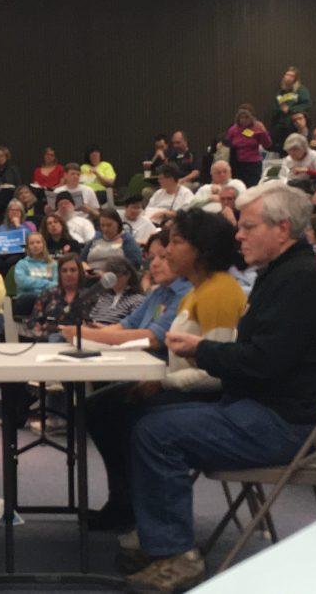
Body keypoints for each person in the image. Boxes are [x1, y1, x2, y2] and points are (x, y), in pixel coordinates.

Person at [124, 184, 316, 591]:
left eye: (247, 227)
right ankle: (158, 536)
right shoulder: (283, 275)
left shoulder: (300, 282)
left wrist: (201, 350)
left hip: (283, 424)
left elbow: (262, 363)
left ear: (282, 229)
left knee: (155, 432)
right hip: (266, 408)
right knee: (146, 417)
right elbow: (258, 358)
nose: (238, 235)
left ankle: (175, 556)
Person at [84, 209, 246, 531]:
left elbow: (218, 372)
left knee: (114, 413)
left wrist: (164, 383)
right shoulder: (199, 291)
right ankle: (125, 503)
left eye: (176, 242)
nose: (167, 251)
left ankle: (132, 508)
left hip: (210, 399)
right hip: (183, 386)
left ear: (202, 248)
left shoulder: (220, 291)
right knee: (100, 407)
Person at [65, 231, 191, 357]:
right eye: (151, 258)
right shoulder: (157, 293)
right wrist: (86, 334)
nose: (154, 264)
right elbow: (127, 324)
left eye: (163, 257)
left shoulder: (186, 293)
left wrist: (85, 334)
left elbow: (153, 338)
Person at [25, 253, 85, 340]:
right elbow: (33, 322)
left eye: (73, 270)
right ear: (59, 274)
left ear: (80, 272)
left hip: (82, 339)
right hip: (50, 340)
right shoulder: (47, 294)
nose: (68, 274)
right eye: (64, 271)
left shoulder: (90, 296)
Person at [86, 257, 145, 325]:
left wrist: (104, 329)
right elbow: (91, 319)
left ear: (127, 275)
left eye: (115, 276)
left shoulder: (137, 300)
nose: (111, 280)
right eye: (108, 277)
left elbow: (134, 327)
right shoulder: (104, 297)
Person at [79, 207, 142, 272]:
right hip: (91, 274)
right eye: (102, 225)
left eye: (109, 225)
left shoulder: (126, 239)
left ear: (118, 224)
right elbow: (81, 259)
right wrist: (87, 269)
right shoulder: (95, 237)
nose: (105, 229)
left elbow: (135, 263)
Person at [13, 232, 58, 315]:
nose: (35, 245)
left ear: (43, 245)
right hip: (27, 298)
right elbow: (22, 282)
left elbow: (56, 284)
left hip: (48, 297)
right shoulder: (22, 264)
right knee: (33, 298)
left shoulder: (53, 264)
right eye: (31, 243)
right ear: (28, 247)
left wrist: (33, 282)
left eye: (38, 242)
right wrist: (47, 283)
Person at [226, 107, 272, 187]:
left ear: (252, 118)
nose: (243, 119)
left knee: (253, 186)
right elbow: (228, 143)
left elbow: (267, 144)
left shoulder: (257, 127)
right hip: (237, 164)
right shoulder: (233, 129)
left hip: (253, 164)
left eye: (246, 117)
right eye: (241, 117)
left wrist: (263, 132)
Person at [270, 65, 312, 150]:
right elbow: (276, 107)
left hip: (294, 125)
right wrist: (280, 109)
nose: (288, 77)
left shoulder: (301, 90)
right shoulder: (280, 93)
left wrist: (290, 110)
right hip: (281, 127)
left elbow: (307, 105)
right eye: (287, 75)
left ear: (295, 79)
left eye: (291, 76)